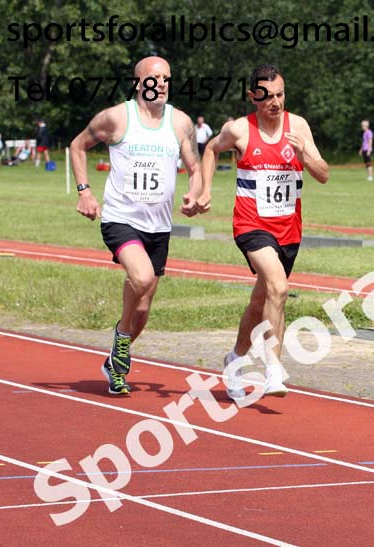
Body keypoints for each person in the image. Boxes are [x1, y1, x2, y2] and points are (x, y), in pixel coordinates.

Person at [71, 56, 207, 395]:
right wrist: (85, 191)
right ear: (138, 82)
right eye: (153, 78)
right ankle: (120, 340)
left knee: (143, 309)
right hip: (121, 219)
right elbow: (77, 146)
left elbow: (195, 167)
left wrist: (195, 193)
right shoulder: (117, 118)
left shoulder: (180, 123)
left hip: (158, 227)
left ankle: (115, 359)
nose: (160, 84)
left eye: (166, 78)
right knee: (141, 277)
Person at [201, 64, 329, 401]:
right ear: (253, 97)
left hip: (288, 229)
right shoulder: (239, 130)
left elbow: (324, 173)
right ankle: (273, 370)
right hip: (251, 224)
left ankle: (234, 360)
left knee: (263, 300)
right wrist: (205, 189)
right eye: (268, 96)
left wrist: (303, 154)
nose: (275, 102)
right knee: (278, 286)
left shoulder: (298, 126)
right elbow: (211, 150)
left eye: (280, 94)